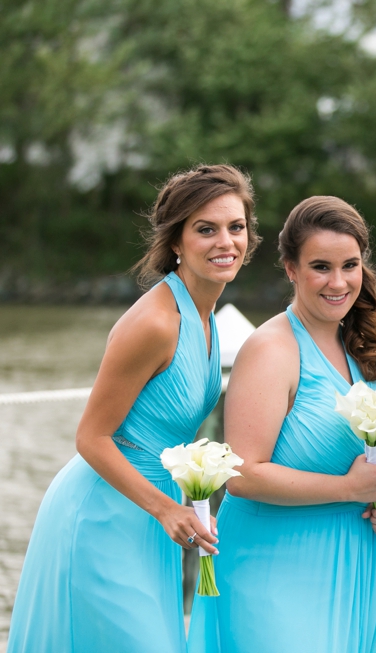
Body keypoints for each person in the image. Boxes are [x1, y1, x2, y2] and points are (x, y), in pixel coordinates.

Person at [7, 164, 258, 652]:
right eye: (205, 229)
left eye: (236, 226)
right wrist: (166, 508)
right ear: (176, 242)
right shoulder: (155, 322)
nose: (226, 241)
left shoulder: (203, 315)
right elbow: (91, 437)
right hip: (105, 513)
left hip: (153, 513)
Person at [187, 196, 376, 652]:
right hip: (276, 565)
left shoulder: (368, 347)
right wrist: (350, 490)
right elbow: (243, 474)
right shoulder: (271, 350)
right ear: (291, 269)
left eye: (349, 265)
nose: (338, 282)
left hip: (358, 560)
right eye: (320, 267)